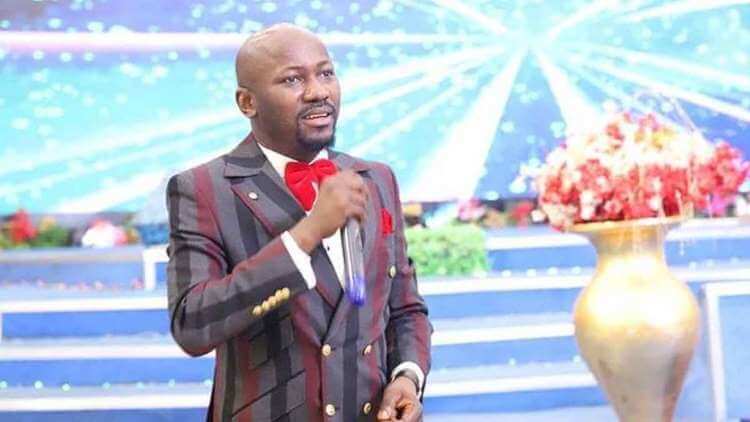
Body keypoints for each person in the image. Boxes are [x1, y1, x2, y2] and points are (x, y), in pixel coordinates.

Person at [166, 23, 432, 422]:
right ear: (247, 102)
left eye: (326, 73)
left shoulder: (376, 178)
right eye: (293, 79)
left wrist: (407, 377)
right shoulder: (203, 188)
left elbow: (405, 308)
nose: (318, 91)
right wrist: (307, 233)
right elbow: (193, 326)